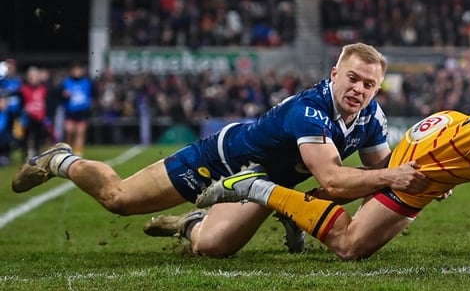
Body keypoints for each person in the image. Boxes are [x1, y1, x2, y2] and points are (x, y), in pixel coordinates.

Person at [193, 14, 470, 260]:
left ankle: (297, 210)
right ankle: (257, 188)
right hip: (428, 160)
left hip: (450, 136)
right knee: (350, 246)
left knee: (347, 202)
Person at [11, 43, 429, 257]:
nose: (359, 89)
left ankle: (192, 222)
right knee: (118, 199)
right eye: (352, 78)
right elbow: (337, 180)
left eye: (368, 84)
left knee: (212, 248)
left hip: (260, 181)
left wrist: (417, 186)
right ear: (334, 73)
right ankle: (60, 159)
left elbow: (379, 169)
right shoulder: (309, 110)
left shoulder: (372, 115)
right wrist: (394, 179)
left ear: (378, 88)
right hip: (220, 161)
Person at [61, 62, 94, 156]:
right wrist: (65, 95)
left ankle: (78, 153)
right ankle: (69, 151)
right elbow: (60, 95)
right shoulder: (67, 82)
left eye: (78, 70)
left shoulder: (86, 82)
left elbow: (92, 95)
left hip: (82, 111)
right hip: (70, 111)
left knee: (80, 132)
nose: (77, 72)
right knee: (70, 131)